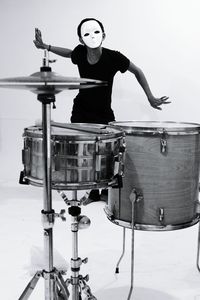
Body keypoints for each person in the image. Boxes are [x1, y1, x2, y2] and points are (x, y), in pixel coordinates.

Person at [33, 17, 170, 204]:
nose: (92, 37)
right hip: (81, 110)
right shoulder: (80, 53)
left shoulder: (114, 57)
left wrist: (150, 97)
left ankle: (104, 192)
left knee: (107, 153)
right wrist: (45, 46)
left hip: (103, 112)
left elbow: (137, 71)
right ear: (81, 39)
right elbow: (69, 53)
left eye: (96, 32)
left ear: (103, 35)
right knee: (83, 153)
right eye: (86, 34)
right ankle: (92, 192)